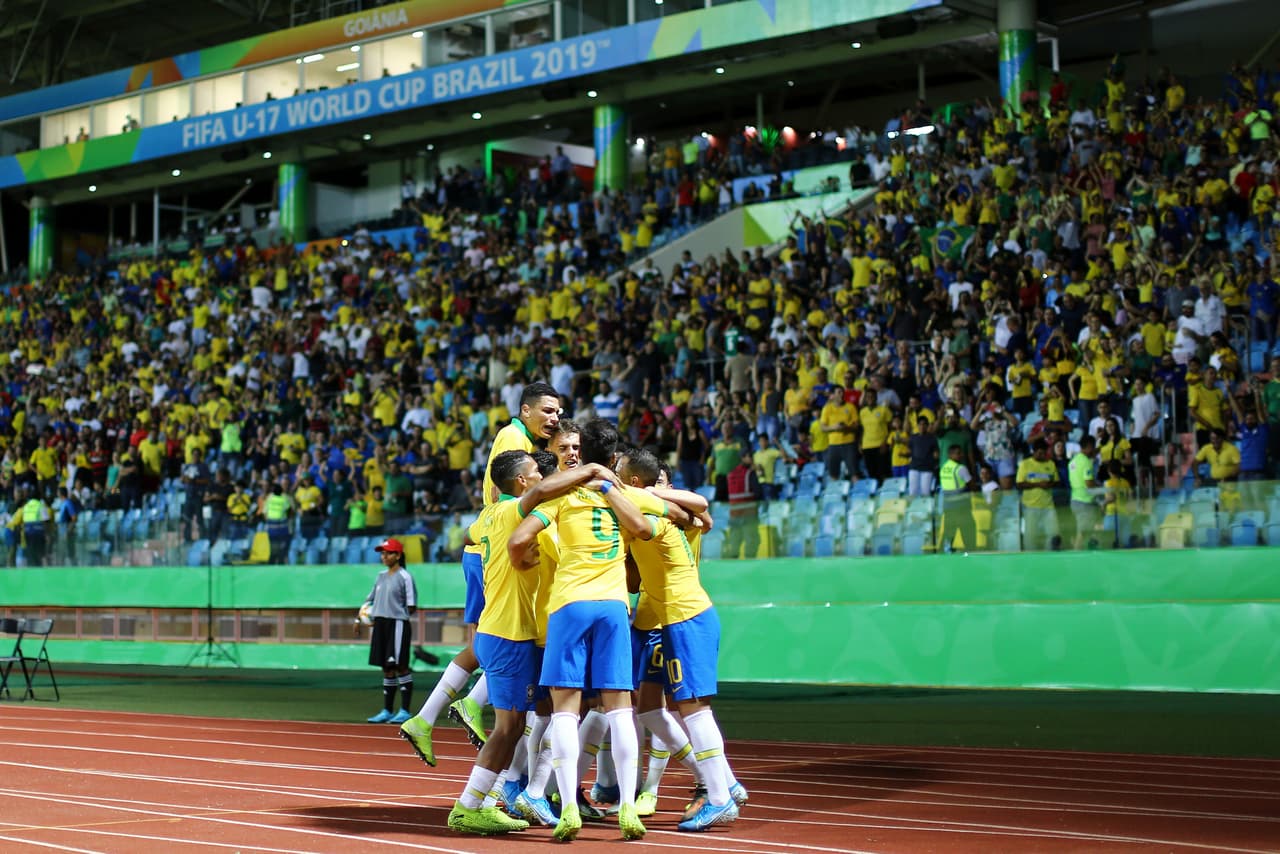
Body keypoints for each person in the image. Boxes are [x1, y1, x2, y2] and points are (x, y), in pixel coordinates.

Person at [505, 417, 665, 841]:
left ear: (579, 455)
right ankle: (629, 806)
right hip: (613, 606)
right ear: (614, 457)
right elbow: (648, 527)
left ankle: (568, 809)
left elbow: (519, 539)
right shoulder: (623, 493)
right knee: (619, 709)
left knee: (563, 710)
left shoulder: (561, 495)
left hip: (569, 605)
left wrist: (523, 562)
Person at [445, 449, 618, 835]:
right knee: (508, 728)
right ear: (521, 482)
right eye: (536, 471)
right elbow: (542, 496)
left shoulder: (486, 516)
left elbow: (474, 540)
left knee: (520, 723)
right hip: (508, 633)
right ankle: (468, 805)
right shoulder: (511, 512)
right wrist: (588, 469)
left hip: (495, 629)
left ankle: (491, 801)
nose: (543, 475)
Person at [401, 381, 561, 762]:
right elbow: (505, 492)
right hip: (501, 547)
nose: (553, 420)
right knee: (509, 635)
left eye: (558, 413)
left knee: (490, 639)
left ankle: (429, 717)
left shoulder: (518, 439)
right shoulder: (513, 441)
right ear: (525, 410)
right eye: (547, 411)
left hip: (485, 544)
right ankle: (470, 708)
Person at [617, 450, 747, 831]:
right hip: (679, 620)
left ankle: (719, 796)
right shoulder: (656, 512)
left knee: (694, 709)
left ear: (635, 484)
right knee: (686, 707)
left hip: (687, 618)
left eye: (621, 474)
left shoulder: (652, 518)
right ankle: (724, 786)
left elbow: (698, 512)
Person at [362, 538, 418, 724]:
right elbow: (369, 601)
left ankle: (405, 710)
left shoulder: (405, 577)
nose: (383, 556)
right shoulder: (380, 576)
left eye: (388, 553)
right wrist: (360, 618)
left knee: (400, 666)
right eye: (382, 553)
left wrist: (390, 612)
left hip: (397, 624)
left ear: (398, 555)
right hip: (380, 625)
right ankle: (386, 710)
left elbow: (411, 606)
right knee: (386, 668)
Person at [1016, 439, 1060, 550]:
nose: (1042, 455)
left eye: (1044, 453)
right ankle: (1030, 558)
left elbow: (1056, 481)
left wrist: (1049, 484)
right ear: (1033, 451)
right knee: (1030, 536)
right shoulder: (1025, 464)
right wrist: (1038, 484)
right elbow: (1019, 484)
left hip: (1048, 505)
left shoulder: (1050, 464)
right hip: (1030, 506)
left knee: (1053, 533)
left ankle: (1050, 556)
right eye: (1039, 453)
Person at [938, 444, 976, 552]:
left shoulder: (943, 468)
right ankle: (970, 556)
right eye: (958, 453)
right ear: (950, 455)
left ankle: (943, 556)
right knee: (969, 534)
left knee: (949, 534)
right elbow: (972, 486)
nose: (961, 455)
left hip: (948, 508)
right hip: (962, 508)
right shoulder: (961, 468)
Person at [1068, 436, 1101, 550]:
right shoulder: (1086, 462)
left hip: (1074, 500)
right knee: (1082, 533)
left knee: (1085, 531)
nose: (1094, 450)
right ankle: (1076, 554)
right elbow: (1089, 483)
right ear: (1089, 447)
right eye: (1093, 448)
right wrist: (1100, 487)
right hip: (1085, 502)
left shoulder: (1073, 461)